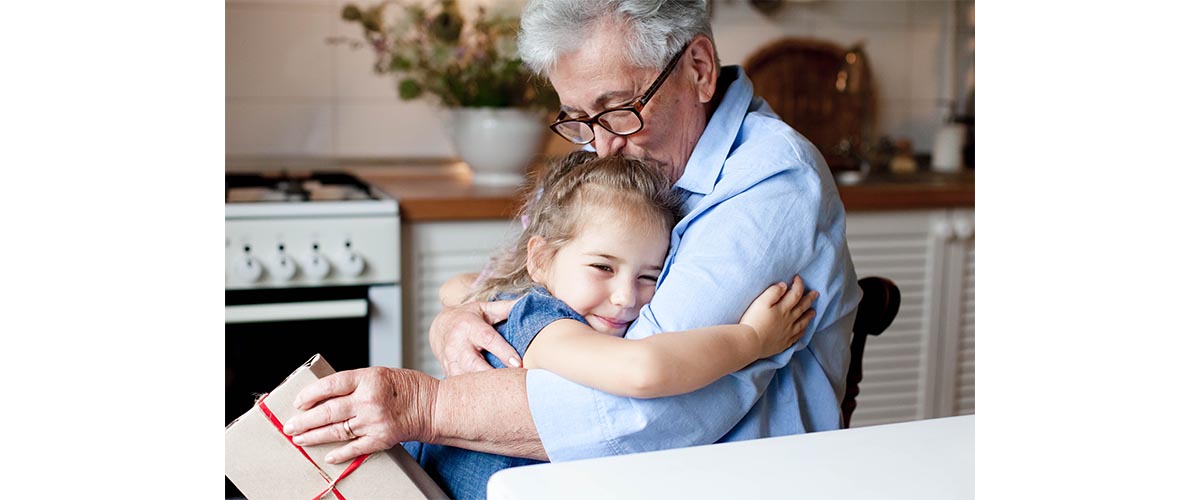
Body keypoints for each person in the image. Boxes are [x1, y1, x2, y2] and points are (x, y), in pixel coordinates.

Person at [283, 0, 859, 495]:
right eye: (580, 119)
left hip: (731, 480)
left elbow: (641, 413)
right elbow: (501, 284)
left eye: (619, 110)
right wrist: (455, 318)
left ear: (699, 70)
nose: (601, 147)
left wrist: (426, 407)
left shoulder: (772, 181)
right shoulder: (615, 158)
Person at [402, 150, 817, 497]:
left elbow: (456, 285)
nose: (624, 297)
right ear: (541, 259)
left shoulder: (520, 302)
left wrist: (463, 301)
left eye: (648, 277)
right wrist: (753, 338)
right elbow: (643, 370)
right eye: (602, 266)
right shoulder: (544, 323)